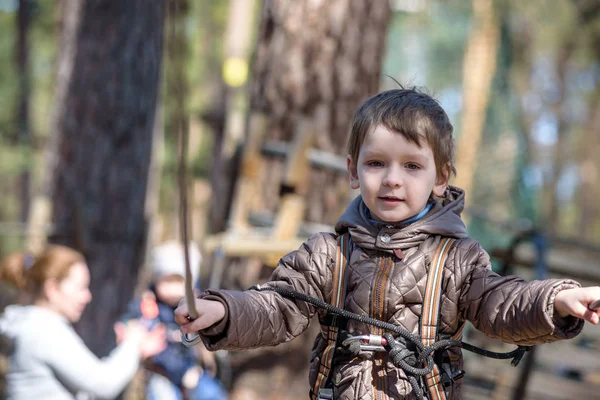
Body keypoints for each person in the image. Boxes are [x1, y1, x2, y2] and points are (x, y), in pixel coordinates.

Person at [174, 87, 600, 400]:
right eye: (377, 163)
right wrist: (223, 310)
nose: (393, 178)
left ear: (440, 178)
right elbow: (276, 306)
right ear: (353, 172)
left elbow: (501, 302)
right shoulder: (327, 254)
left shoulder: (456, 260)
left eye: (412, 165)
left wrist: (558, 300)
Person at [0, 245, 166, 400]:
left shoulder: (30, 324)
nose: (87, 297)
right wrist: (133, 342)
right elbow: (103, 383)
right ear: (52, 289)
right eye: (81, 287)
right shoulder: (44, 331)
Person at [121, 240, 228, 400]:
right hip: (162, 372)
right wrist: (182, 372)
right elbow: (154, 349)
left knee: (212, 394)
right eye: (166, 281)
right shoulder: (149, 307)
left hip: (193, 370)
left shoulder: (195, 307)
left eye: (178, 282)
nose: (172, 289)